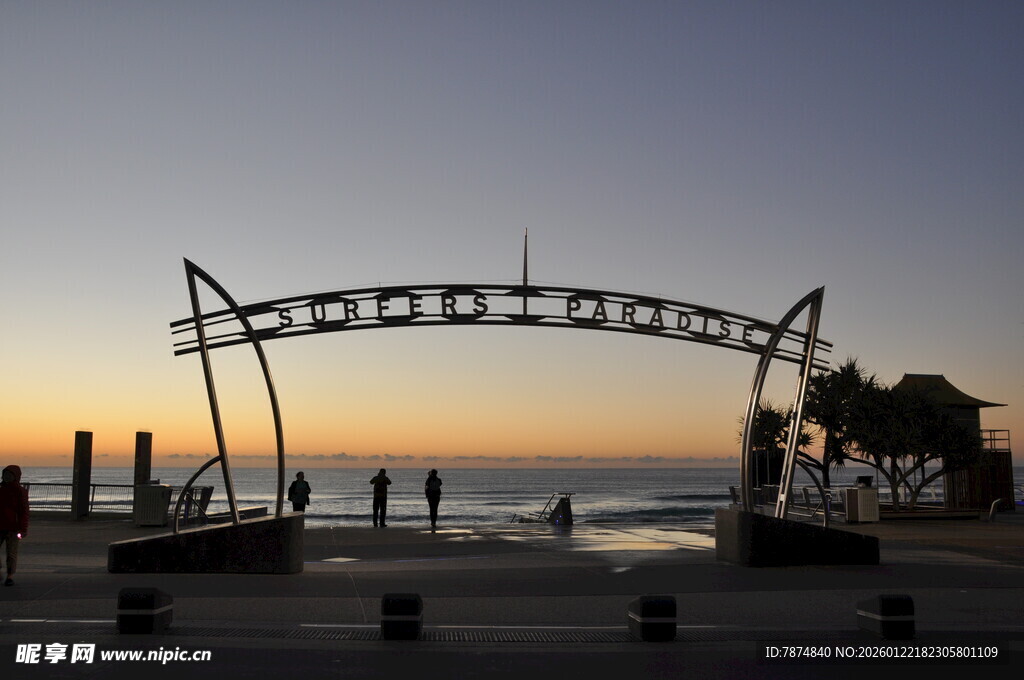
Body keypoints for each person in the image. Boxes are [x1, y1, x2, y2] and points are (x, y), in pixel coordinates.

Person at [0, 465, 30, 587]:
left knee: (11, 552)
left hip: (14, 527)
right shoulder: (1, 489)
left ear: (15, 476)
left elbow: (24, 511)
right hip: (0, 525)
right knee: (11, 552)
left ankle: (10, 576)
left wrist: (23, 528)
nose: (7, 477)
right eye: (5, 475)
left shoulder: (20, 491)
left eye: (10, 475)